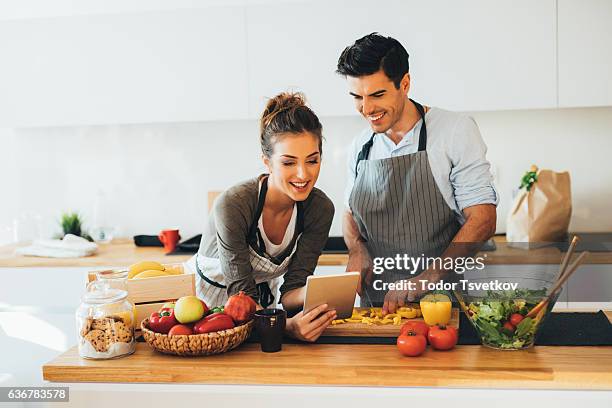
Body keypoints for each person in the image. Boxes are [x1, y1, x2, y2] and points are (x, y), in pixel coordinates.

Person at [336, 33, 498, 313]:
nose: (367, 108)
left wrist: (425, 280)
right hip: (376, 313)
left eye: (377, 95)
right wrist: (356, 248)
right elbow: (350, 214)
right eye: (357, 97)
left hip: (443, 307)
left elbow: (483, 219)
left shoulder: (455, 131)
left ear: (405, 84)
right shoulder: (361, 146)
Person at [186, 92, 336, 342]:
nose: (303, 174)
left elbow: (290, 293)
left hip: (261, 309)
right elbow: (242, 296)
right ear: (267, 162)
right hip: (205, 309)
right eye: (289, 163)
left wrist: (321, 293)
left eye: (312, 160)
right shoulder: (233, 204)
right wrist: (287, 327)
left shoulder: (319, 209)